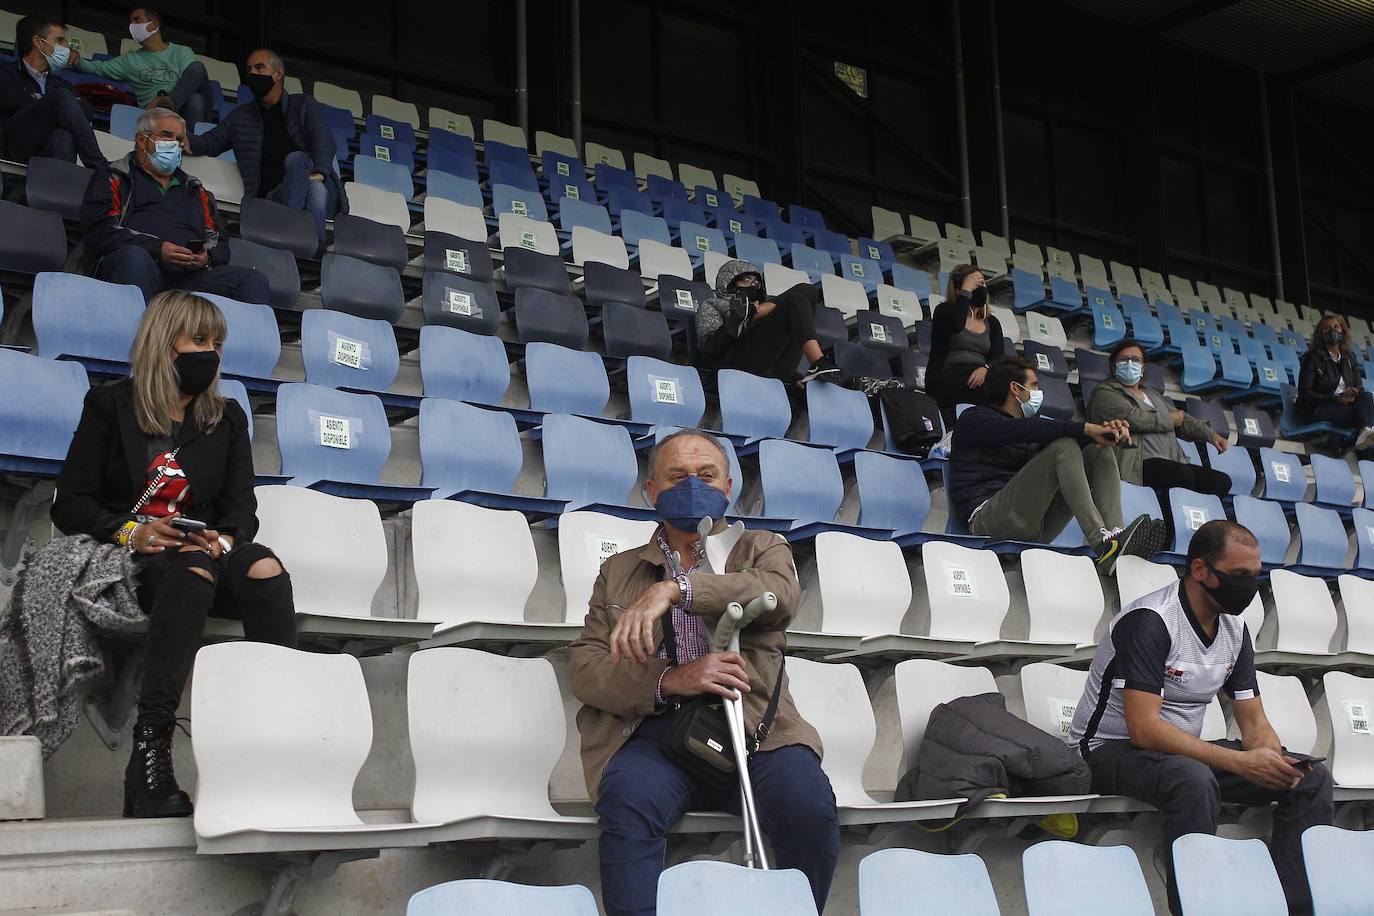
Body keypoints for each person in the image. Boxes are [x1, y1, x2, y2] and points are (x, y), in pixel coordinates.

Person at [568, 429, 840, 916]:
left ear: (729, 486)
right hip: (657, 733)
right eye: (677, 476)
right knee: (627, 800)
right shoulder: (619, 571)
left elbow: (779, 595)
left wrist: (677, 589)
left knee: (809, 808)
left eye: (706, 475)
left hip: (759, 731)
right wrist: (669, 680)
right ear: (651, 491)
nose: (693, 484)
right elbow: (586, 668)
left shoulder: (762, 547)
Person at [51, 291, 297, 818]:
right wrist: (130, 533)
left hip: (202, 551)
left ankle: (272, 748)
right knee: (190, 569)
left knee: (265, 569)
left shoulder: (226, 417)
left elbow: (241, 510)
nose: (211, 353)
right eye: (200, 340)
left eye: (218, 343)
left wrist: (224, 539)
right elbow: (70, 505)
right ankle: (150, 755)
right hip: (135, 559)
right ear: (165, 346)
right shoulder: (109, 405)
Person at [1068, 521, 1332, 915]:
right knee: (1192, 779)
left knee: (1308, 778)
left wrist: (1268, 758)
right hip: (1108, 749)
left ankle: (1295, 907)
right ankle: (1197, 906)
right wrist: (1240, 761)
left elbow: (1255, 722)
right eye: (1240, 575)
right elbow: (1143, 730)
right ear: (1200, 570)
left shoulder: (1235, 628)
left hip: (1180, 753)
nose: (1250, 586)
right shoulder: (1150, 620)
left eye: (1256, 575)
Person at [948, 355, 1169, 573]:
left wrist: (1105, 431)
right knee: (1064, 445)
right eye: (1033, 385)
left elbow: (1052, 434)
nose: (1038, 392)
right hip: (989, 522)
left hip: (1034, 524)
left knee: (1097, 450)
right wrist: (1085, 429)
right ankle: (1101, 542)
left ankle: (1116, 536)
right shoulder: (974, 418)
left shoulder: (1031, 428)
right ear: (1015, 388)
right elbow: (1021, 431)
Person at [80, 108, 270, 304]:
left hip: (186, 276)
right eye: (166, 135)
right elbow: (100, 230)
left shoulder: (196, 190)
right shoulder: (113, 175)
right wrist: (158, 249)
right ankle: (136, 333)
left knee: (253, 281)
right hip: (135, 265)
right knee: (134, 258)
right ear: (141, 139)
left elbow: (219, 241)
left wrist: (207, 257)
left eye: (179, 139)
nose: (174, 144)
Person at [189, 50, 347, 255]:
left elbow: (324, 141)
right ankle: (315, 256)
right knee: (314, 189)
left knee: (304, 170)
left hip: (317, 189)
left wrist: (322, 172)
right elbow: (210, 142)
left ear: (278, 73)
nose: (252, 73)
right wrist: (183, 137)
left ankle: (292, 242)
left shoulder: (303, 105)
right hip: (272, 199)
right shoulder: (240, 117)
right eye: (249, 70)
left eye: (259, 68)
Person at [1089, 339, 1231, 526]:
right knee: (1181, 475)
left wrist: (1211, 435)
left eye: (1136, 360)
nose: (1130, 364)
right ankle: (1168, 530)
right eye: (1124, 359)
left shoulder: (1153, 395)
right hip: (1137, 463)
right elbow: (1132, 419)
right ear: (1114, 366)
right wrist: (1170, 420)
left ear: (1143, 367)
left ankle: (1198, 529)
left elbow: (1183, 419)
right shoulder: (1105, 393)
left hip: (1171, 461)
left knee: (1220, 481)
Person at [697, 259, 840, 387]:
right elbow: (709, 351)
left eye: (756, 282)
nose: (752, 285)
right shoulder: (711, 304)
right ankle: (818, 362)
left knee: (808, 291)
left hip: (772, 370)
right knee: (796, 299)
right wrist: (733, 323)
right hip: (735, 366)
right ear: (730, 283)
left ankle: (818, 363)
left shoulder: (767, 308)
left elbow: (776, 344)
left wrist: (795, 378)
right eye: (747, 279)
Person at [69, 8, 214, 127]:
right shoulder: (130, 59)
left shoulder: (181, 52)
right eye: (130, 21)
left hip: (185, 113)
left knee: (197, 77)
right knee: (196, 99)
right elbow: (99, 68)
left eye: (136, 20)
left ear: (154, 24)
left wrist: (165, 99)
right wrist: (76, 60)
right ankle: (182, 134)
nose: (131, 25)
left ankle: (169, 105)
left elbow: (190, 82)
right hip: (153, 117)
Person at [0, 15, 107, 167]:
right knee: (60, 98)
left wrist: (48, 103)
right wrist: (58, 104)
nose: (66, 47)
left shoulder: (60, 83)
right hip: (13, 147)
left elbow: (86, 111)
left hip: (48, 150)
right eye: (59, 40)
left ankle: (57, 189)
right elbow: (13, 102)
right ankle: (100, 167)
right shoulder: (4, 72)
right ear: (38, 42)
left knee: (63, 136)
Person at [926, 264, 1004, 424]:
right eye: (974, 284)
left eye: (982, 284)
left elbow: (998, 356)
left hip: (979, 377)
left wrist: (985, 368)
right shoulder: (944, 311)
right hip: (948, 376)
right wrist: (965, 293)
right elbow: (956, 324)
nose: (980, 288)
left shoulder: (992, 322)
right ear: (958, 289)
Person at [1296, 314, 1374, 451]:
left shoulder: (1349, 357)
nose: (1332, 331)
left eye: (1336, 327)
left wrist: (1352, 393)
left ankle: (1364, 434)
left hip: (1345, 406)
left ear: (1342, 331)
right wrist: (1336, 399)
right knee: (1363, 416)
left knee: (1366, 397)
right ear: (1321, 333)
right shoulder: (1312, 358)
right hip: (1318, 409)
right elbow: (1305, 394)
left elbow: (1358, 388)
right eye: (1327, 328)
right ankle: (1363, 446)